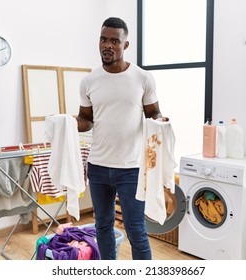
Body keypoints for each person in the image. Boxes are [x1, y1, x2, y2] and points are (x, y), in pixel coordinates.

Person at [76, 17, 168, 260]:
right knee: (102, 227)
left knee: (136, 230)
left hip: (131, 168)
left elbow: (153, 113)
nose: (107, 45)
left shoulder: (142, 78)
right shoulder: (89, 81)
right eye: (103, 39)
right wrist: (67, 123)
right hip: (97, 166)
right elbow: (86, 120)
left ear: (125, 45)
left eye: (114, 41)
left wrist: (159, 121)